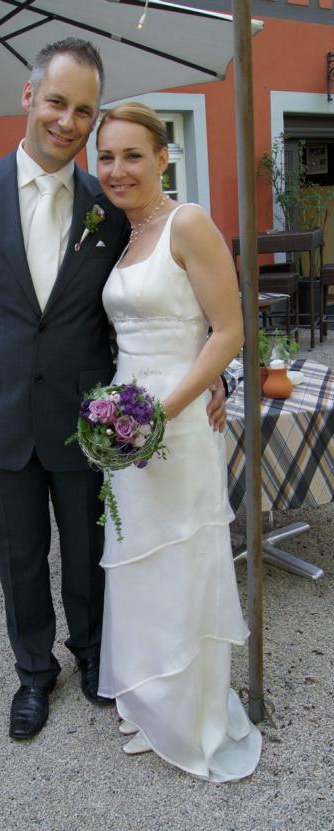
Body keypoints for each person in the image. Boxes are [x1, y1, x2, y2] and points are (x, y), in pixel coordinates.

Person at [0, 40, 226, 743]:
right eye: (57, 102)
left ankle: (92, 653)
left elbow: (164, 298)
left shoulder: (109, 203)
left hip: (86, 414)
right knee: (18, 552)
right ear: (29, 97)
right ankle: (34, 671)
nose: (68, 121)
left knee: (90, 548)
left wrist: (217, 372)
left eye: (84, 110)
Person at [96, 103, 261, 781]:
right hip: (125, 419)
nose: (117, 169)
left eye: (133, 155)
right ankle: (151, 696)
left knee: (182, 556)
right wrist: (120, 419)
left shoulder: (187, 222)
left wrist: (162, 413)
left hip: (177, 420)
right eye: (106, 156)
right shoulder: (124, 233)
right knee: (139, 559)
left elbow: (230, 329)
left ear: (164, 158)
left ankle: (191, 712)